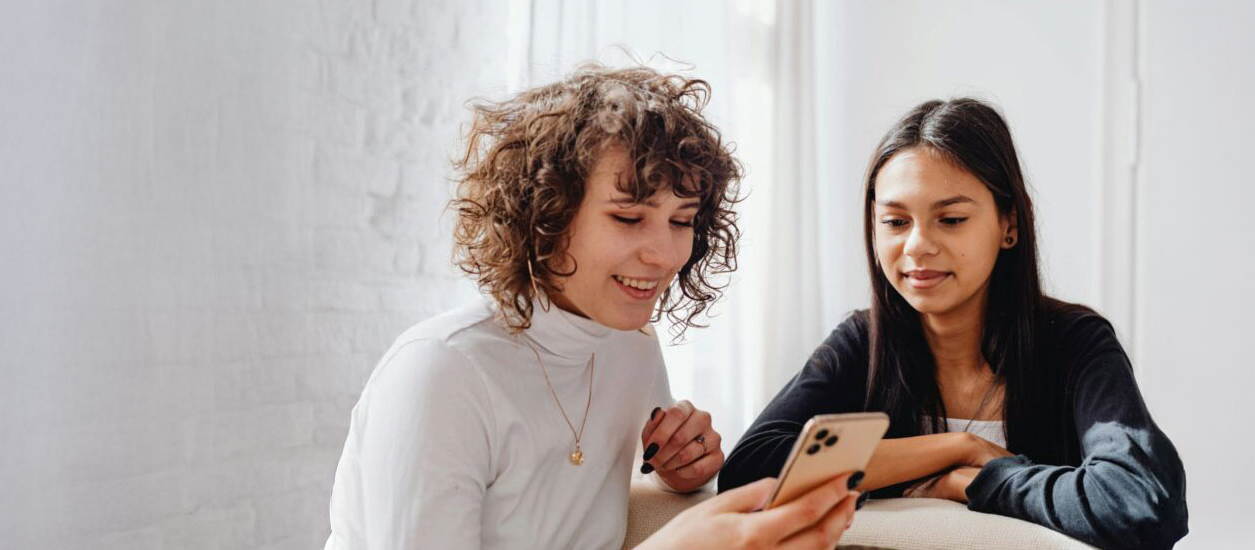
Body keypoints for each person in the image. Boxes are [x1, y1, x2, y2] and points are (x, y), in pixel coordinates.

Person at [324, 64, 860, 550]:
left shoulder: (631, 348)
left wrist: (677, 468)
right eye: (628, 218)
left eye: (681, 221)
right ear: (545, 214)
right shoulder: (441, 373)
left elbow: (615, 485)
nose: (665, 253)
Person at [720, 98, 1188, 550]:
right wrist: (959, 448)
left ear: (1010, 223)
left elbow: (1140, 506)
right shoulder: (863, 343)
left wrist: (978, 482)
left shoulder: (1072, 343)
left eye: (951, 218)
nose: (918, 245)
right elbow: (749, 472)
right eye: (896, 221)